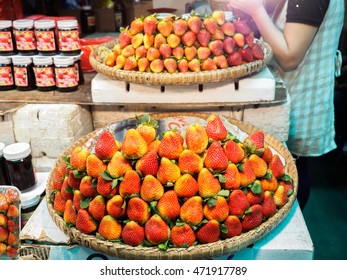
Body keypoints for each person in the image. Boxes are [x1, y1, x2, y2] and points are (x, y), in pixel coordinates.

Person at [227, 0, 345, 209]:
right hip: (291, 93)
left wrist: (255, 9)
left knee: (290, 178)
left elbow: (290, 57)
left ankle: (290, 219)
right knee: (287, 173)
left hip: (299, 96)